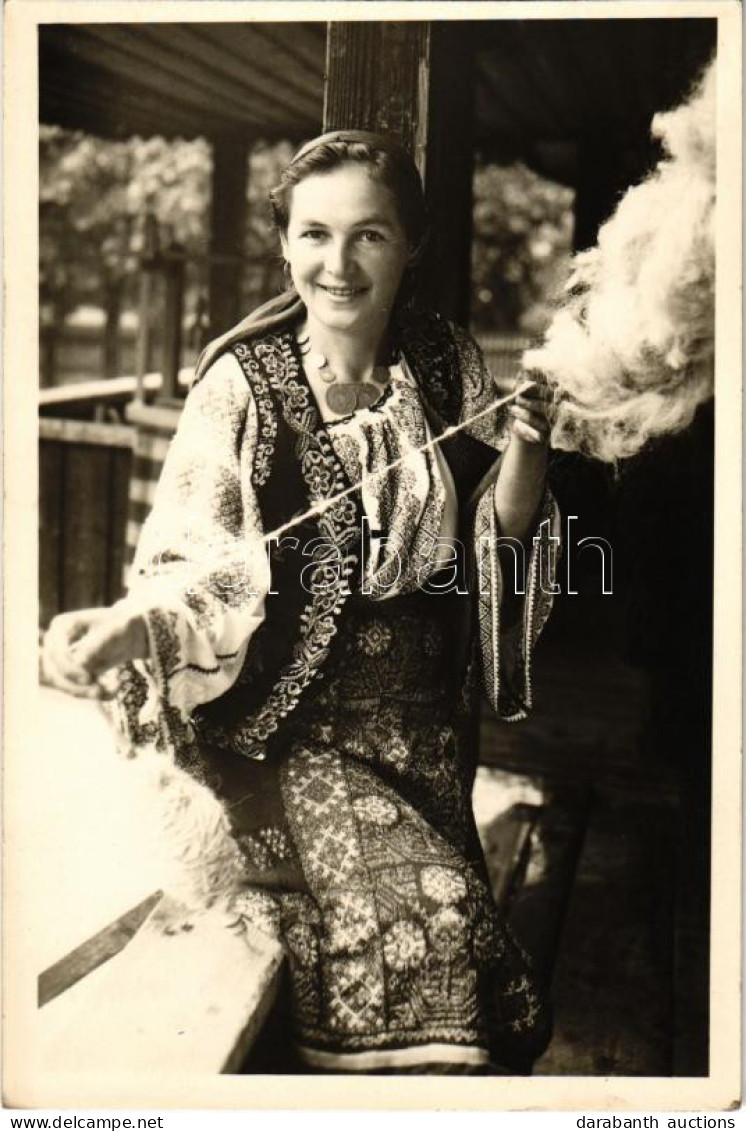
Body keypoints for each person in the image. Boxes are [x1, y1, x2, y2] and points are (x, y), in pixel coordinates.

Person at [43, 131, 558, 1075]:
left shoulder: (444, 364)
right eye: (314, 234)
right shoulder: (236, 387)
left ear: (411, 245)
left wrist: (527, 446)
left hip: (423, 740)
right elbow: (199, 562)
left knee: (481, 958)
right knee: (437, 927)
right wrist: (131, 625)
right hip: (288, 737)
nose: (338, 263)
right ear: (284, 244)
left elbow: (500, 538)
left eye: (369, 236)